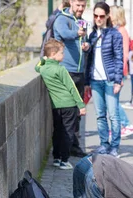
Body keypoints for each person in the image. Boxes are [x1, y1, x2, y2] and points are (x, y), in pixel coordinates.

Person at [36, 39, 86, 170]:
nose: (64, 55)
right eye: (62, 53)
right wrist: (81, 105)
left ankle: (57, 157)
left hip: (56, 106)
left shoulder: (44, 68)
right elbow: (72, 88)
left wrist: (44, 59)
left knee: (58, 131)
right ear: (53, 54)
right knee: (68, 133)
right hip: (69, 105)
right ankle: (65, 160)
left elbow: (37, 66)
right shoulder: (61, 69)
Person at [85, 2, 124, 158]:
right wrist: (87, 81)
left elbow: (119, 58)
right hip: (95, 80)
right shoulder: (92, 35)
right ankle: (104, 144)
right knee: (100, 115)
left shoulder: (115, 34)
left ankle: (114, 146)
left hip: (109, 80)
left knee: (113, 115)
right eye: (95, 16)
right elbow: (89, 60)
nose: (98, 19)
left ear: (107, 16)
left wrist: (117, 80)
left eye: (101, 16)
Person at [53, 0, 90, 157]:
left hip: (78, 71)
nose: (81, 8)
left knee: (77, 112)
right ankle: (62, 151)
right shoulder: (62, 18)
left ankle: (73, 146)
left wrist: (86, 45)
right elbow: (64, 34)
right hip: (66, 70)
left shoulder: (80, 21)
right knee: (66, 112)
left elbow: (80, 41)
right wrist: (77, 33)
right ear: (71, 3)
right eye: (78, 5)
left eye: (83, 6)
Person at [110, 5, 133, 139]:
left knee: (113, 101)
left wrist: (119, 74)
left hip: (117, 71)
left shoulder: (122, 31)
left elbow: (124, 54)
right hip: (114, 69)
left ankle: (127, 125)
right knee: (112, 100)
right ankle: (118, 128)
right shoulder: (116, 30)